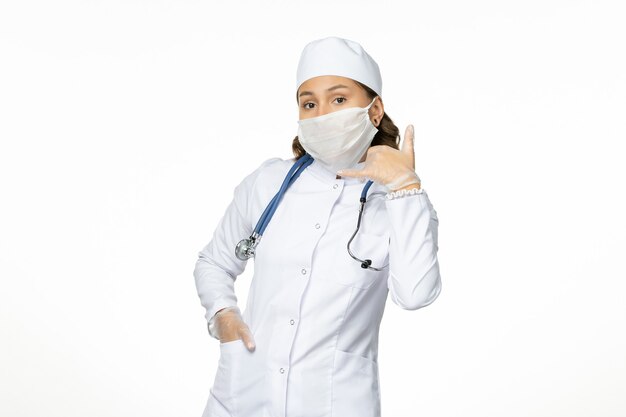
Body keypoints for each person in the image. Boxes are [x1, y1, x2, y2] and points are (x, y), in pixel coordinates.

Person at [194, 35, 442, 417]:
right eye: (309, 103)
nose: (323, 113)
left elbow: (415, 294)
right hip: (244, 397)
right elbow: (213, 262)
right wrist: (223, 315)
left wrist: (404, 187)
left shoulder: (400, 205)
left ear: (374, 111)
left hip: (335, 404)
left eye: (339, 99)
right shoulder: (268, 183)